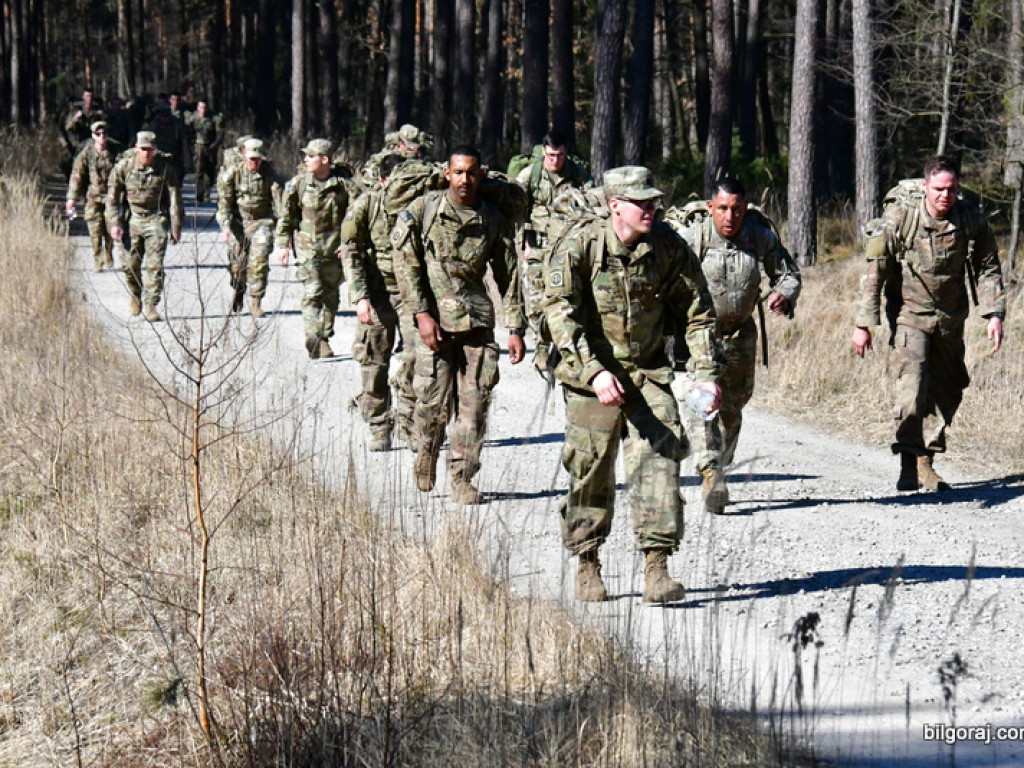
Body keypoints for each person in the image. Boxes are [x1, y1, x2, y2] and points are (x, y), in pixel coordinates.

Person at [541, 166, 721, 603]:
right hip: (591, 378)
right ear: (614, 205)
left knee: (660, 462)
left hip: (648, 373)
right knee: (590, 470)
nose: (650, 209)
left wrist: (705, 373)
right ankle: (587, 562)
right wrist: (593, 372)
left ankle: (656, 569)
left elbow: (698, 313)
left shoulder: (668, 247)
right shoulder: (581, 244)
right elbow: (559, 313)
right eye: (640, 202)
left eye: (652, 201)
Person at [852, 155, 1005, 492]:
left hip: (951, 318)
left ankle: (926, 461)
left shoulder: (970, 219)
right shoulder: (901, 218)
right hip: (909, 314)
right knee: (913, 384)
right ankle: (909, 461)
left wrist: (994, 314)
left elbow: (988, 266)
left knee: (947, 387)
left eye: (951, 189)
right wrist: (864, 324)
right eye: (938, 189)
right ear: (925, 187)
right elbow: (875, 271)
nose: (944, 196)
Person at [393, 145, 526, 504]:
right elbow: (406, 266)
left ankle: (462, 478)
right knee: (431, 403)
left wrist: (515, 328)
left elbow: (509, 276)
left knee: (475, 405)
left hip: (476, 323)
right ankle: (426, 450)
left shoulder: (492, 219)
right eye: (458, 172)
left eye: (471, 172)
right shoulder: (425, 210)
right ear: (447, 174)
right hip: (433, 322)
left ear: (480, 175)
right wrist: (421, 315)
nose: (464, 179)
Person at [672, 177, 801, 514]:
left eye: (737, 209)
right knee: (703, 403)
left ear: (745, 208)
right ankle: (711, 473)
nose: (730, 216)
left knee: (732, 408)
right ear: (710, 207)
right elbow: (664, 276)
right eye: (723, 209)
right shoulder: (692, 238)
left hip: (741, 335)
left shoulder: (759, 238)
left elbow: (788, 274)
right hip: (701, 335)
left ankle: (719, 461)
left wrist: (783, 294)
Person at [341, 153, 417, 451]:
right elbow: (351, 252)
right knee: (373, 360)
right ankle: (379, 424)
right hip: (377, 292)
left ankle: (410, 422)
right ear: (383, 180)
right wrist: (360, 297)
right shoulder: (367, 205)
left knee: (416, 358)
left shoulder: (420, 206)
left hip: (412, 295)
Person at [515, 130, 593, 372]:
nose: (555, 160)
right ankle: (541, 344)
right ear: (543, 152)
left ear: (566, 152)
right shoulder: (531, 175)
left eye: (559, 155)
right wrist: (524, 244)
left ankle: (565, 346)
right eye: (550, 155)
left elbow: (591, 206)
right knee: (536, 300)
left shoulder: (578, 175)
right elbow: (516, 209)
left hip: (568, 247)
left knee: (566, 295)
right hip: (537, 247)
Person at [274, 139, 350, 358]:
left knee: (331, 296)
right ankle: (313, 335)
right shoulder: (298, 184)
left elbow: (355, 216)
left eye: (310, 156)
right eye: (305, 156)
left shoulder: (344, 185)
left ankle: (324, 338)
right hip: (308, 249)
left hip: (334, 250)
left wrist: (350, 244)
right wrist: (283, 244)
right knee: (313, 291)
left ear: (325, 159)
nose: (305, 159)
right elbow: (287, 216)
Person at [105, 131, 183, 322]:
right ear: (136, 148)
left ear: (155, 149)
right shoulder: (124, 166)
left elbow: (175, 198)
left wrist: (176, 226)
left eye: (150, 149)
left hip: (156, 218)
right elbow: (112, 198)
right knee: (129, 265)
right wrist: (114, 224)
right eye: (143, 149)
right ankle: (135, 294)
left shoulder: (164, 168)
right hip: (132, 219)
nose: (146, 153)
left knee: (155, 265)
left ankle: (150, 305)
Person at [217, 138, 283, 318]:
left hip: (262, 222)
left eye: (258, 159)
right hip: (238, 223)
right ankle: (239, 287)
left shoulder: (269, 174)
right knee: (237, 266)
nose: (255, 163)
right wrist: (226, 227)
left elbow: (280, 203)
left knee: (259, 262)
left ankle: (256, 301)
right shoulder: (233, 173)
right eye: (251, 159)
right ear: (244, 155)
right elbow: (224, 204)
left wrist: (283, 229)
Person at [66, 120, 117, 272]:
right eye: (98, 134)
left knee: (110, 229)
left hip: (111, 198)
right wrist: (72, 198)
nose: (102, 136)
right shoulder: (86, 154)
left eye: (104, 133)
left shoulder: (115, 152)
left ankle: (108, 252)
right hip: (93, 197)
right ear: (93, 136)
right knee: (95, 230)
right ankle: (97, 259)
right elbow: (77, 176)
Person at [186, 99, 224, 203]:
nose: (203, 110)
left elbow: (220, 134)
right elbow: (188, 132)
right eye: (201, 108)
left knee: (210, 171)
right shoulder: (193, 118)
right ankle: (199, 194)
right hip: (198, 147)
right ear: (198, 108)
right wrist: (190, 145)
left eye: (205, 108)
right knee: (198, 171)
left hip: (210, 147)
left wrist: (214, 145)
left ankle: (207, 194)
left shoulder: (214, 118)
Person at [146, 102, 190, 182]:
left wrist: (186, 162)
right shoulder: (153, 126)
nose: (165, 119)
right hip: (158, 158)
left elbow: (184, 145)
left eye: (167, 116)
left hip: (174, 158)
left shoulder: (177, 126)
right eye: (163, 116)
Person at [64, 88, 105, 157]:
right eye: (87, 96)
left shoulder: (96, 111)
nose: (89, 98)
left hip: (94, 143)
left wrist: (102, 116)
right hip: (80, 144)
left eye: (91, 96)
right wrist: (75, 119)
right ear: (83, 97)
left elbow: (105, 127)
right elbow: (67, 127)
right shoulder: (76, 110)